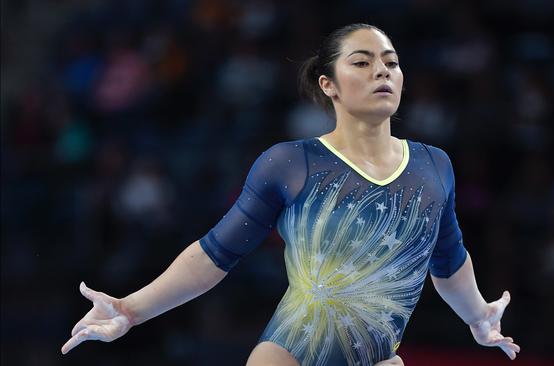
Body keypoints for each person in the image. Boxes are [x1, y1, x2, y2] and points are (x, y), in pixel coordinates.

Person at [61, 23, 520, 366]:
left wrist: (479, 316)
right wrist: (129, 309)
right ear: (329, 84)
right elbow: (214, 254)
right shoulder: (292, 163)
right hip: (290, 357)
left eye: (391, 62)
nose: (382, 70)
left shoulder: (434, 165)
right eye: (361, 62)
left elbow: (449, 259)